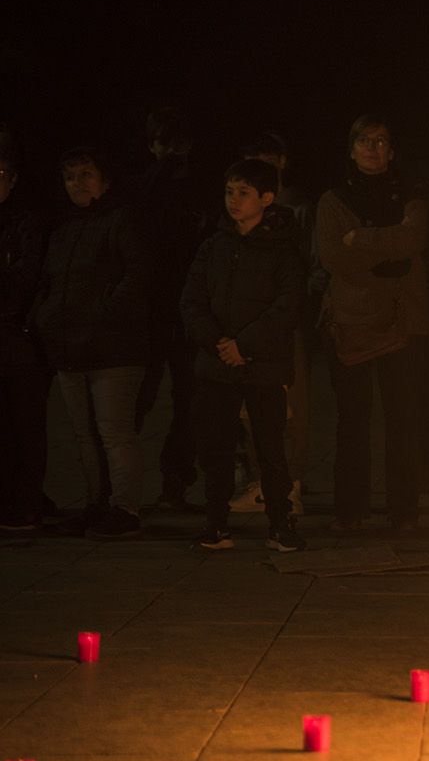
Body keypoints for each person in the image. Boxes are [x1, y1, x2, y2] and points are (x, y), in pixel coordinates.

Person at [181, 159, 306, 552]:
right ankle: (216, 524)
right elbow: (192, 301)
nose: (234, 201)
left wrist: (244, 345)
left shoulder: (284, 249)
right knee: (215, 447)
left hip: (263, 366)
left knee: (270, 447)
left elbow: (288, 305)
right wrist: (219, 343)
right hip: (217, 365)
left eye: (244, 193)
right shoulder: (214, 246)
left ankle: (280, 524)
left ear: (267, 198)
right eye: (229, 192)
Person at [316, 114, 429, 533]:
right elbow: (335, 259)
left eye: (380, 141)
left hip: (402, 322)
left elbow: (413, 240)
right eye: (364, 140)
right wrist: (389, 253)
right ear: (351, 149)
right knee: (353, 419)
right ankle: (351, 509)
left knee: (403, 418)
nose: (372, 147)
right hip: (352, 321)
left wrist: (361, 239)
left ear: (392, 150)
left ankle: (403, 510)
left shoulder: (410, 195)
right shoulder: (333, 201)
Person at [33, 147, 151, 537]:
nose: (77, 184)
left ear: (105, 179)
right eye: (70, 177)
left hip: (113, 348)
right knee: (84, 432)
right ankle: (96, 502)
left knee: (113, 429)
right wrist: (48, 317)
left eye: (86, 174)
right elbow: (51, 282)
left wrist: (102, 315)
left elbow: (138, 275)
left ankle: (125, 507)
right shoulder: (65, 229)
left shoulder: (121, 220)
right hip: (70, 347)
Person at [231, 134, 314, 515]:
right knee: (250, 408)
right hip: (245, 327)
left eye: (265, 159)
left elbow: (304, 270)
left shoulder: (295, 211)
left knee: (288, 406)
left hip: (282, 325)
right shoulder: (233, 221)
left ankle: (288, 485)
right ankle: (260, 481)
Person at [133, 107, 209, 510]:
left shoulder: (202, 190)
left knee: (189, 402)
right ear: (152, 145)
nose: (174, 151)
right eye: (165, 142)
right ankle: (119, 485)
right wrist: (163, 166)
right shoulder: (143, 189)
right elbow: (140, 210)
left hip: (188, 313)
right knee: (137, 400)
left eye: (180, 143)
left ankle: (175, 480)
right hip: (149, 313)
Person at [0, 135, 54, 532]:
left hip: (19, 340)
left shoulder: (28, 222)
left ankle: (27, 502)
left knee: (24, 424)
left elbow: (27, 278)